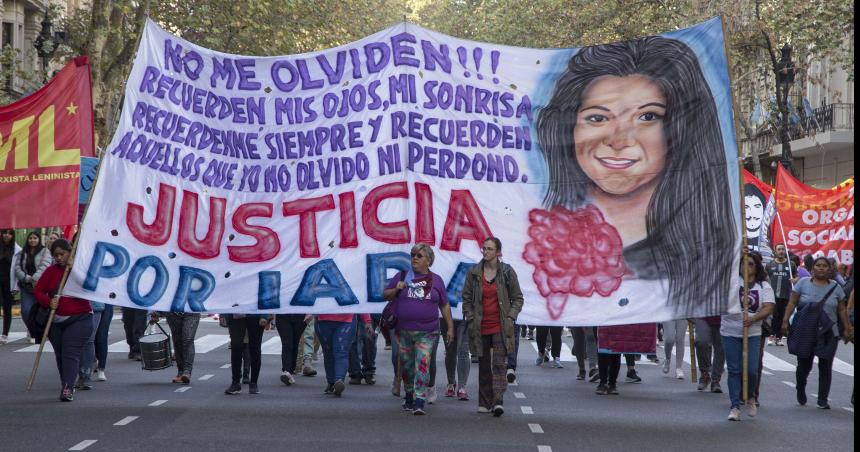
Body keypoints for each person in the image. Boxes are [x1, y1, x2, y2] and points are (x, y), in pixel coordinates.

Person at [534, 36, 736, 320]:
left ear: (679, 129)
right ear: (567, 129)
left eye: (647, 117)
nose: (618, 140)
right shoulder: (537, 237)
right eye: (597, 118)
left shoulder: (707, 257)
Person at [384, 243, 455, 415]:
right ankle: (409, 395)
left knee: (423, 364)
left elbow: (444, 305)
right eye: (412, 254)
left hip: (428, 332)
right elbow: (385, 294)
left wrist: (450, 327)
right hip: (403, 331)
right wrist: (396, 289)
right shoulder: (402, 276)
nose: (414, 258)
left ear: (429, 261)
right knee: (408, 367)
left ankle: (420, 401)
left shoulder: (436, 280)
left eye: (419, 255)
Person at [462, 238, 524, 417]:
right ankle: (484, 401)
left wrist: (511, 316)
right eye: (484, 248)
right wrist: (471, 316)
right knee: (483, 365)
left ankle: (497, 401)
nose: (485, 251)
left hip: (500, 326)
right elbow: (466, 298)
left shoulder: (506, 272)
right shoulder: (474, 273)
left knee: (498, 364)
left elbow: (517, 298)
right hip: (480, 325)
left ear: (498, 252)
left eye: (490, 249)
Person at [781, 256, 852, 409]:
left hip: (828, 332)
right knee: (804, 365)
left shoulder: (836, 288)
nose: (821, 268)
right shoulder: (803, 283)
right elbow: (792, 302)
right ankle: (800, 388)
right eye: (818, 265)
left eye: (824, 266)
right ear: (812, 269)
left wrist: (847, 328)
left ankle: (822, 399)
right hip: (806, 330)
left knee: (826, 365)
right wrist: (785, 320)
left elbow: (841, 309)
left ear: (829, 269)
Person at [33, 239, 93, 402]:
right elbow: (38, 291)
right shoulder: (51, 271)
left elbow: (91, 285)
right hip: (55, 320)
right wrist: (48, 302)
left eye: (62, 254)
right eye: (55, 255)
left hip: (80, 318)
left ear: (70, 252)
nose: (59, 258)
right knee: (60, 354)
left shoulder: (81, 270)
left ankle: (68, 387)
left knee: (70, 352)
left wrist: (74, 268)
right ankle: (66, 383)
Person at [721, 252, 774, 421]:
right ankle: (735, 406)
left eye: (750, 263)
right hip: (730, 330)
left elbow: (768, 307)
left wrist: (753, 318)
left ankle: (750, 396)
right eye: (743, 263)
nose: (746, 266)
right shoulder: (731, 283)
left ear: (756, 266)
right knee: (734, 369)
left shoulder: (763, 286)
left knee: (751, 369)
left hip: (752, 332)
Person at [316, 312, 372, 398]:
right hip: (324, 319)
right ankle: (332, 382)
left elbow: (360, 299)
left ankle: (338, 380)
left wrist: (367, 320)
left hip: (346, 320)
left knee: (341, 352)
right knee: (329, 352)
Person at [594, 323, 656, 395]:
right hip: (603, 320)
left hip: (618, 320)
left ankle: (612, 383)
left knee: (616, 350)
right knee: (603, 350)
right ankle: (603, 382)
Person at [15, 231, 52, 342]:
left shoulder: (45, 251)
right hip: (26, 287)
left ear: (39, 239)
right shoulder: (22, 252)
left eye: (35, 238)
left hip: (40, 286)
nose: (32, 240)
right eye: (30, 238)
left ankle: (42, 331)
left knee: (41, 311)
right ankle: (31, 329)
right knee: (26, 311)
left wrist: (34, 278)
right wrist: (27, 278)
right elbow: (17, 267)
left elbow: (45, 266)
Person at [224, 313, 272, 395]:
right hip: (236, 313)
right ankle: (235, 383)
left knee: (255, 348)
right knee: (236, 347)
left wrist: (264, 315)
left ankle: (253, 383)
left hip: (255, 314)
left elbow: (265, 299)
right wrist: (223, 314)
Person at [152, 311, 201, 384]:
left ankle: (187, 371)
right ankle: (181, 371)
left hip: (191, 311)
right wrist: (158, 312)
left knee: (188, 339)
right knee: (177, 341)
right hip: (173, 313)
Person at [765, 244, 793, 346]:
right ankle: (771, 335)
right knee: (774, 316)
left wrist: (794, 280)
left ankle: (779, 337)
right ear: (775, 251)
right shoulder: (770, 264)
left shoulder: (791, 264)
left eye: (782, 249)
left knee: (782, 316)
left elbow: (796, 277)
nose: (781, 251)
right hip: (773, 296)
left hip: (785, 295)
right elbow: (765, 277)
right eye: (779, 249)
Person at [442, 315, 472, 399]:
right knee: (450, 351)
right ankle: (451, 383)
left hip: (464, 316)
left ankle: (462, 387)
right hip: (446, 315)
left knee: (464, 351)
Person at [694, 316, 724, 393]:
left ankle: (715, 380)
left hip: (722, 316)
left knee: (721, 348)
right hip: (703, 315)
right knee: (701, 342)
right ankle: (705, 374)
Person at [0, 229, 21, 344]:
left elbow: (18, 269)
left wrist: (16, 286)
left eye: (9, 233)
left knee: (7, 308)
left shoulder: (17, 250)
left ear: (13, 236)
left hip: (9, 282)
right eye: (4, 233)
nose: (6, 235)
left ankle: (5, 334)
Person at [276, 313, 308, 386]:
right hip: (282, 315)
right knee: (287, 344)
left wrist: (310, 312)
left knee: (294, 343)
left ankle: (291, 370)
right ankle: (286, 371)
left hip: (300, 314)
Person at [92, 301, 113, 381]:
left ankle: (101, 368)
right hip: (93, 302)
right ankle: (93, 360)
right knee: (90, 337)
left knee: (102, 336)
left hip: (106, 302)